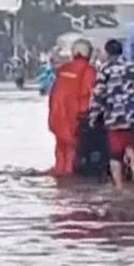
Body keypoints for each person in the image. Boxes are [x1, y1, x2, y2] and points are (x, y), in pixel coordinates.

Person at [87, 39, 134, 189]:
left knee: (115, 154)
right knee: (128, 144)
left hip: (113, 119)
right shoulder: (132, 68)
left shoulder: (105, 69)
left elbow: (98, 95)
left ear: (108, 52)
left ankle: (119, 187)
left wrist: (93, 117)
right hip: (130, 117)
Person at [48, 39, 96, 176]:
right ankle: (70, 177)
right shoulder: (88, 70)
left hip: (56, 116)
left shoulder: (64, 69)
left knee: (61, 148)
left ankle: (60, 173)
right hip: (75, 117)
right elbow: (90, 92)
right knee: (72, 150)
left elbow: (55, 93)